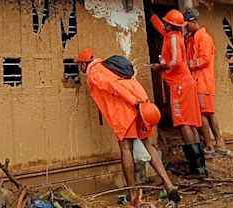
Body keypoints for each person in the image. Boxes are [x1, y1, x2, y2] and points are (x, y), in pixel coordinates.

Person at [74, 48, 180, 206]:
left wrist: (132, 101)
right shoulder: (109, 66)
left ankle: (132, 195)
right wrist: (141, 102)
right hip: (142, 107)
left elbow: (113, 86)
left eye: (79, 65)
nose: (79, 69)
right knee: (147, 144)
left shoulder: (95, 72)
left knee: (125, 148)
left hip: (126, 111)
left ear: (83, 64)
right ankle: (169, 186)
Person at [149, 9, 206, 177]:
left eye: (166, 23)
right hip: (183, 83)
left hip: (180, 85)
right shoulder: (172, 35)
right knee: (191, 123)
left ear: (171, 26)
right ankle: (199, 167)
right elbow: (160, 27)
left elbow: (175, 62)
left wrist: (159, 67)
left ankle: (195, 168)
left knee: (183, 123)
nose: (164, 25)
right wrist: (153, 14)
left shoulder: (173, 38)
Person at [183, 10, 227, 155]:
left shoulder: (204, 38)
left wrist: (186, 65)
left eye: (187, 25)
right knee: (208, 113)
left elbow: (204, 59)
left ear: (194, 21)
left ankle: (211, 144)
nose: (186, 28)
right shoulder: (193, 38)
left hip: (202, 81)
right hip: (198, 80)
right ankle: (217, 143)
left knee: (204, 113)